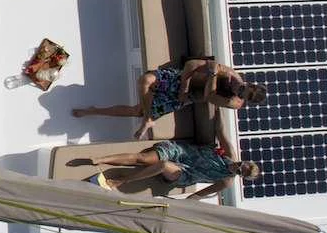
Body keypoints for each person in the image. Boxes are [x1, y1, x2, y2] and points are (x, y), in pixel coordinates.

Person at [72, 58, 266, 139]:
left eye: (243, 96)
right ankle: (148, 118)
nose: (240, 92)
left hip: (184, 98)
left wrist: (213, 75)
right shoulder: (229, 73)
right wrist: (184, 84)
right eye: (244, 90)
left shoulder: (234, 102)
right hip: (180, 80)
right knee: (145, 80)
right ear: (250, 83)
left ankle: (93, 110)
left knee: (135, 111)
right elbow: (190, 65)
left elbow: (210, 96)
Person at [93, 133, 259, 201]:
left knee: (164, 166)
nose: (236, 167)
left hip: (184, 173)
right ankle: (101, 159)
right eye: (240, 164)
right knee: (143, 158)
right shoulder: (229, 152)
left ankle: (122, 181)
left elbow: (199, 194)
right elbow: (221, 129)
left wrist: (182, 205)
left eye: (239, 171)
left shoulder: (226, 181)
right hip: (180, 152)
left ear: (239, 175)